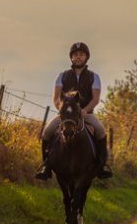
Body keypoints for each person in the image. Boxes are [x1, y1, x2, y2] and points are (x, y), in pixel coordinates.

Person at [35, 42, 113, 180]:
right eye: (76, 55)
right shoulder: (62, 76)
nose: (78, 57)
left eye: (81, 55)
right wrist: (62, 110)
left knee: (100, 130)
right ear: (71, 57)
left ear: (86, 58)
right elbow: (56, 97)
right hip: (66, 115)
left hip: (86, 114)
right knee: (47, 131)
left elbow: (95, 99)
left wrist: (85, 110)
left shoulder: (94, 77)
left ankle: (101, 165)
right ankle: (46, 165)